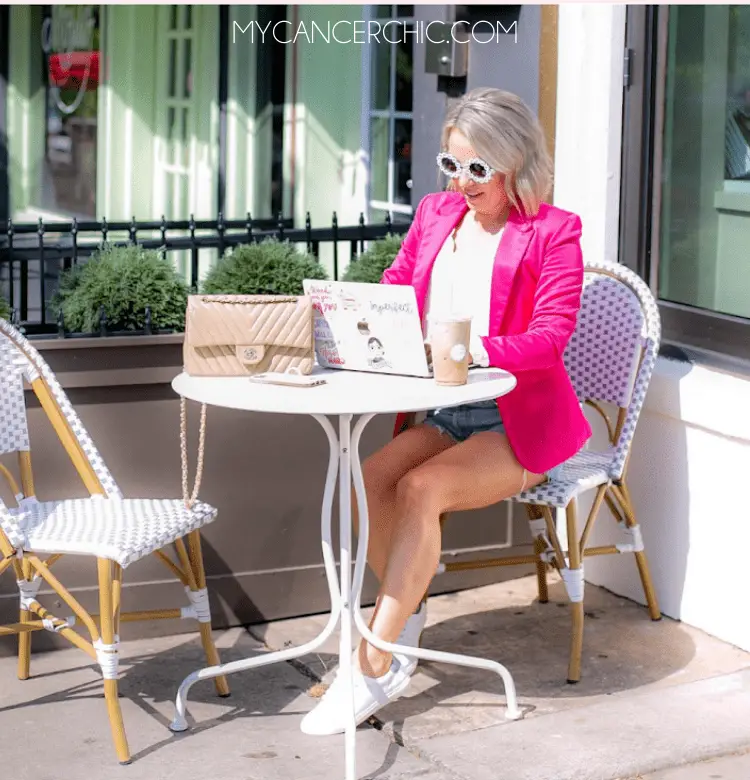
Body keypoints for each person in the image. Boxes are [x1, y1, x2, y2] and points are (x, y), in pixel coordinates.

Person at [300, 87, 592, 736]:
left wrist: (475, 346)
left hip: (513, 422)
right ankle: (408, 611)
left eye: (478, 169)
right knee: (367, 480)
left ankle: (374, 660)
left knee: (421, 488)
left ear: (515, 162)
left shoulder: (554, 231)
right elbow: (397, 287)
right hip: (446, 411)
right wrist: (356, 319)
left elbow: (552, 335)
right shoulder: (436, 213)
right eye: (451, 164)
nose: (462, 182)